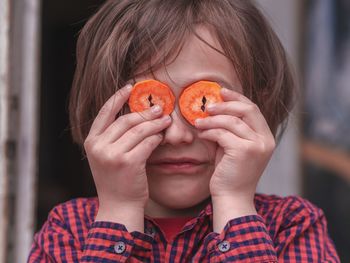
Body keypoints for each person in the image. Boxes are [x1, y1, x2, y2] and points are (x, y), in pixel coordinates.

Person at [28, 0, 340, 262]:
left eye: (206, 101)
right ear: (102, 111)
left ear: (261, 103)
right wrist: (119, 212)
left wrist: (234, 203)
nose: (177, 135)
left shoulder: (294, 226)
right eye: (148, 103)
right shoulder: (67, 230)